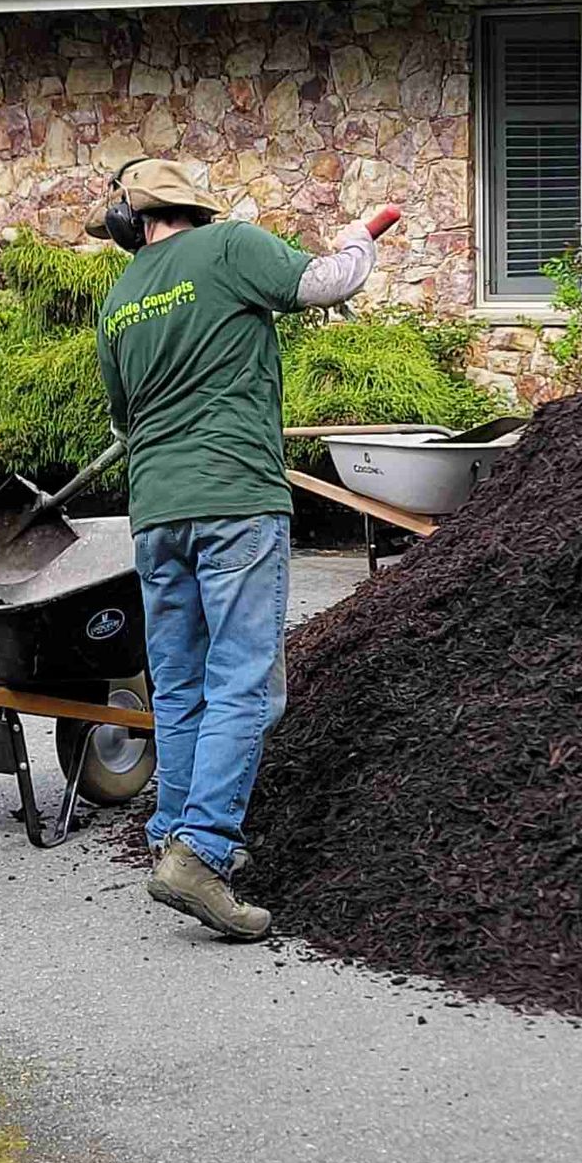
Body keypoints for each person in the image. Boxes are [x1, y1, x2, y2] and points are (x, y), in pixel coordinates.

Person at [92, 156, 377, 942]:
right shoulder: (230, 247)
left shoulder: (117, 300)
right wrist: (360, 240)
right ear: (194, 208)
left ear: (132, 225)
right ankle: (203, 850)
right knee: (246, 684)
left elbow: (123, 423)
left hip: (155, 514)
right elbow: (328, 284)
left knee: (179, 686)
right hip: (234, 499)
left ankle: (170, 837)